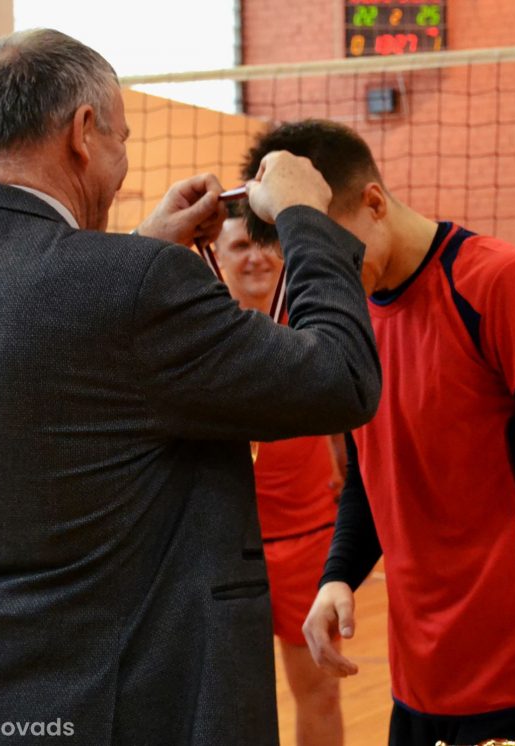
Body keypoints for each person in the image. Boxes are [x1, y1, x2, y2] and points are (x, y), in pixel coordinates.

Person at [0, 30, 380, 745]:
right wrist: (305, 219)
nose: (122, 166)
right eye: (121, 140)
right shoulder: (129, 287)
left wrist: (137, 253)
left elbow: (45, 341)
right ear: (83, 131)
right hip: (108, 707)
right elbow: (341, 378)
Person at [242, 119, 515, 746]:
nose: (324, 271)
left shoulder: (503, 283)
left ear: (374, 202)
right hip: (419, 680)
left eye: (331, 246)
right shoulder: (354, 317)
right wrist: (338, 574)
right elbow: (374, 470)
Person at [212, 212, 346, 746]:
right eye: (240, 245)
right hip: (221, 545)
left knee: (321, 691)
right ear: (217, 257)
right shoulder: (199, 327)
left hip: (307, 539)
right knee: (224, 708)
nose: (255, 257)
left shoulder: (312, 323)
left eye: (265, 243)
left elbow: (344, 408)